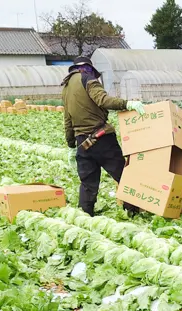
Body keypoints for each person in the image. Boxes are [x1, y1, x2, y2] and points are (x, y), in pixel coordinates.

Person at [61, 56, 145, 216]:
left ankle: (85, 215)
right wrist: (127, 104)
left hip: (82, 142)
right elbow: (103, 100)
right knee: (123, 174)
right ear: (88, 68)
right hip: (101, 138)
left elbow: (67, 119)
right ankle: (133, 211)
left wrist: (71, 145)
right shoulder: (88, 80)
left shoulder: (65, 88)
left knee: (87, 183)